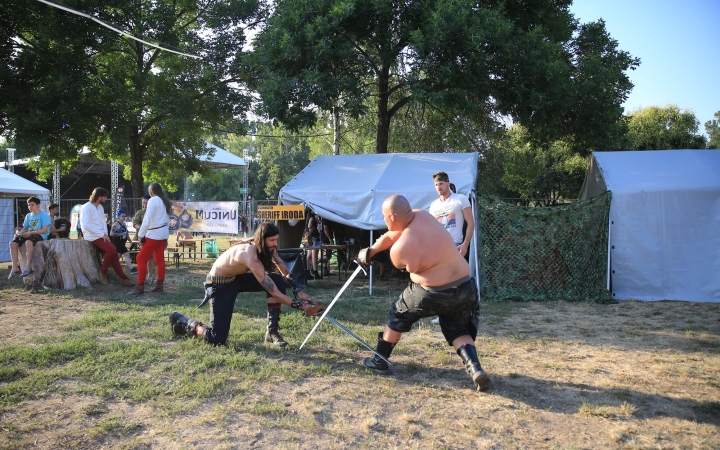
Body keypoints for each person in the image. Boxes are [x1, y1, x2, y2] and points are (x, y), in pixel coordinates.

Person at [357, 195, 490, 391]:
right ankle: (475, 368)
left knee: (398, 313)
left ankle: (380, 359)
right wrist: (371, 250)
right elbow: (395, 233)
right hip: (466, 287)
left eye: (384, 216)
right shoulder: (422, 215)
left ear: (392, 216)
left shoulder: (398, 251)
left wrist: (374, 256)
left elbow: (405, 257)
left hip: (433, 293)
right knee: (459, 329)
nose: (384, 219)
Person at [169, 222, 326, 348]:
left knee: (277, 279)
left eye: (276, 240)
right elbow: (275, 292)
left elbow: (281, 265)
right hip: (220, 284)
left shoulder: (267, 247)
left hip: (237, 278)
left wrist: (298, 290)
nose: (275, 244)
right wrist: (302, 306)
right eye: (272, 240)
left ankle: (272, 332)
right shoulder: (250, 255)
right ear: (262, 240)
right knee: (217, 339)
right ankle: (182, 321)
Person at [81, 187, 135, 286]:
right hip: (91, 235)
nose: (106, 199)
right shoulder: (86, 207)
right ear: (99, 197)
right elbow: (86, 225)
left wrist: (105, 234)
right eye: (105, 197)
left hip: (101, 235)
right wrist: (102, 234)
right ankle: (103, 272)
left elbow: (103, 222)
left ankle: (123, 278)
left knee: (114, 253)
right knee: (112, 250)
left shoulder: (100, 207)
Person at [128, 183, 171, 295]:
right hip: (162, 233)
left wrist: (141, 235)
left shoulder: (153, 200)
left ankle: (140, 286)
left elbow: (147, 219)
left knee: (141, 258)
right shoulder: (166, 201)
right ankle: (159, 285)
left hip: (154, 233)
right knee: (159, 259)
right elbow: (167, 220)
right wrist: (166, 237)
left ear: (151, 191)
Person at [429, 171, 475, 260]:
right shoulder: (433, 205)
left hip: (455, 245)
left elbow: (471, 222)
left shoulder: (460, 199)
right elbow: (431, 228)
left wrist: (465, 244)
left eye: (441, 184)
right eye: (436, 185)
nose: (438, 187)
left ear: (448, 184)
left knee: (455, 273)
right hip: (437, 247)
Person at [8, 197, 51, 278]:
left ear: (38, 205)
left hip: (40, 235)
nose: (30, 207)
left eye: (32, 205)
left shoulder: (44, 215)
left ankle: (28, 267)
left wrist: (30, 233)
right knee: (12, 243)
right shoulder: (28, 216)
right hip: (29, 233)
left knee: (28, 242)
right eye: (29, 205)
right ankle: (15, 268)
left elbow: (44, 230)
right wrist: (19, 234)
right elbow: (25, 228)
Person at [133, 194, 156, 284]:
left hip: (152, 236)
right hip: (143, 237)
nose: (145, 205)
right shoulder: (140, 212)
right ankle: (142, 276)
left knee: (151, 256)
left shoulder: (154, 212)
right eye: (143, 203)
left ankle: (149, 275)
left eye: (146, 203)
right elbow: (135, 223)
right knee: (143, 257)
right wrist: (141, 228)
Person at [110, 210, 136, 274]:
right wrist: (120, 234)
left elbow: (126, 234)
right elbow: (111, 234)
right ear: (119, 216)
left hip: (122, 242)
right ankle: (131, 269)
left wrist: (130, 241)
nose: (124, 217)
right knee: (126, 254)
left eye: (125, 216)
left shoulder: (124, 224)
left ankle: (112, 268)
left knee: (118, 256)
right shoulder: (116, 224)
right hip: (117, 242)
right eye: (122, 216)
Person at [305, 210, 321, 280]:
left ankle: (308, 272)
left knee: (309, 255)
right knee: (314, 256)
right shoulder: (312, 217)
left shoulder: (308, 217)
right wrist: (316, 229)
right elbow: (310, 226)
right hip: (315, 237)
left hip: (309, 237)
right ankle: (316, 274)